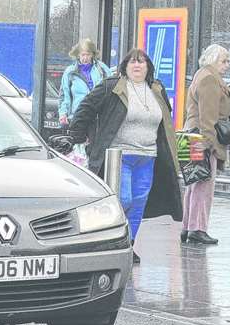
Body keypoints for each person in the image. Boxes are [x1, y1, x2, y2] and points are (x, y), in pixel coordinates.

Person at [67, 48, 184, 263]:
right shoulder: (113, 87)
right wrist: (78, 134)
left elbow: (165, 123)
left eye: (141, 62)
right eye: (132, 62)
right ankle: (113, 242)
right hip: (120, 155)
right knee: (125, 198)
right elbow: (86, 108)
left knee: (139, 203)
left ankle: (128, 246)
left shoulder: (156, 89)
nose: (137, 66)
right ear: (125, 67)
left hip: (148, 156)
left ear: (148, 67)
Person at [181, 44, 230, 247]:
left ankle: (189, 226)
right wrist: (209, 143)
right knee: (203, 184)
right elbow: (208, 115)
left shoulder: (201, 75)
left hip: (193, 135)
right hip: (202, 138)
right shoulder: (210, 79)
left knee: (194, 183)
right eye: (224, 61)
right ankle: (197, 228)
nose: (227, 65)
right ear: (212, 60)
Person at [59, 38, 110, 130]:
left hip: (99, 118)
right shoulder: (70, 72)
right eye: (83, 55)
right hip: (77, 117)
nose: (85, 58)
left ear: (93, 55)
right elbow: (64, 95)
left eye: (88, 54)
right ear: (78, 55)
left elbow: (111, 89)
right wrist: (63, 114)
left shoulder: (102, 69)